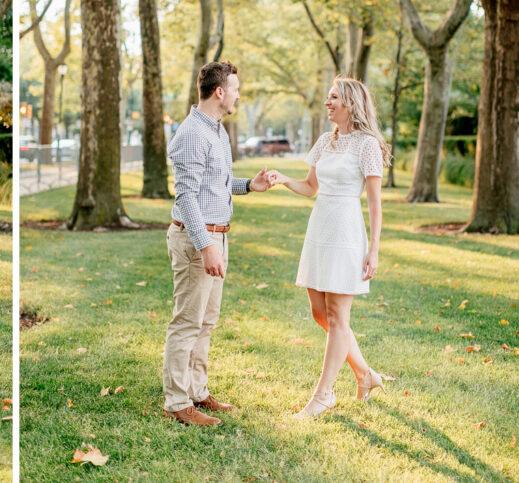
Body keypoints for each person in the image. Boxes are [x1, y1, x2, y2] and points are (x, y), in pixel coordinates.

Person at [267, 77, 390, 418]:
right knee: (320, 314)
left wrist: (374, 248)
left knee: (338, 317)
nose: (327, 102)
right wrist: (283, 179)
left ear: (350, 103)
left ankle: (324, 395)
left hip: (347, 232)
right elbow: (309, 187)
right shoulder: (324, 141)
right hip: (319, 229)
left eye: (333, 97)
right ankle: (365, 374)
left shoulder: (367, 145)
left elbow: (376, 204)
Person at [163, 61, 271, 427]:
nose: (239, 94)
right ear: (220, 91)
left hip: (216, 236)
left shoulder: (218, 131)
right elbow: (188, 195)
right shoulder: (193, 133)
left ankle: (196, 391)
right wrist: (206, 245)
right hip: (198, 240)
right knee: (187, 322)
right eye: (236, 88)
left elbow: (215, 186)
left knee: (206, 323)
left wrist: (248, 186)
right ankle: (177, 402)